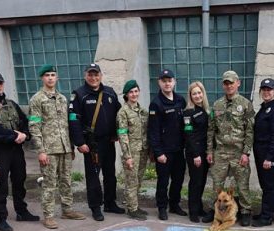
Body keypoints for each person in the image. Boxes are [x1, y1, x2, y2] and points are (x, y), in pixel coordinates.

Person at [0, 71, 40, 231]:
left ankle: (21, 211)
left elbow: (25, 121)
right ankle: (0, 218)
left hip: (16, 149)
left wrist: (24, 135)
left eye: (0, 83)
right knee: (0, 184)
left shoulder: (11, 103)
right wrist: (14, 135)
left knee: (20, 180)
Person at [28, 64, 86, 229]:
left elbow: (67, 125)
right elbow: (34, 126)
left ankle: (67, 210)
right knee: (49, 183)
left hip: (65, 148)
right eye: (47, 75)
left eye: (53, 75)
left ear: (57, 78)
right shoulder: (37, 99)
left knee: (66, 181)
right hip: (49, 150)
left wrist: (72, 147)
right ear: (42, 78)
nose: (50, 78)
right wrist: (40, 150)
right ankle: (48, 216)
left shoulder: (62, 98)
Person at [68, 63, 123, 221]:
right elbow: (73, 119)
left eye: (96, 74)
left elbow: (118, 115)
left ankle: (110, 203)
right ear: (85, 76)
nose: (93, 78)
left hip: (108, 141)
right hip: (91, 144)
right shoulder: (79, 94)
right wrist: (79, 142)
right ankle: (95, 207)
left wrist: (116, 133)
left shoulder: (110, 92)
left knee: (110, 174)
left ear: (101, 75)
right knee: (93, 177)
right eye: (90, 75)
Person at [207, 70, 255, 226]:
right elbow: (211, 130)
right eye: (226, 83)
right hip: (220, 152)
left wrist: (246, 152)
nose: (229, 86)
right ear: (223, 85)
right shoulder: (217, 105)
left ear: (238, 83)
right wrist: (209, 151)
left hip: (238, 152)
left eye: (231, 83)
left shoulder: (245, 104)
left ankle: (245, 211)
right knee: (217, 184)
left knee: (242, 185)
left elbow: (249, 130)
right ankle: (215, 211)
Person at [147, 69, 188, 220]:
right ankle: (162, 207)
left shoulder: (180, 100)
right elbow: (153, 131)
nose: (167, 83)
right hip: (164, 151)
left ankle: (174, 204)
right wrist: (158, 153)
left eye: (169, 80)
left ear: (174, 82)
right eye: (164, 81)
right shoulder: (155, 104)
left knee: (178, 180)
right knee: (163, 181)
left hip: (178, 150)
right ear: (159, 83)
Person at [116, 79, 150, 221]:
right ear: (126, 95)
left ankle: (134, 205)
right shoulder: (123, 112)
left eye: (136, 91)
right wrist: (127, 156)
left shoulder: (142, 111)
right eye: (131, 92)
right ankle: (132, 209)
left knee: (139, 179)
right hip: (132, 152)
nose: (134, 94)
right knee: (131, 181)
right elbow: (123, 135)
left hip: (143, 150)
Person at [252, 78, 274, 227]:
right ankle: (265, 212)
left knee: (269, 186)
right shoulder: (264, 108)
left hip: (268, 155)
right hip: (260, 153)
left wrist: (269, 158)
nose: (266, 92)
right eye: (264, 89)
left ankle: (267, 217)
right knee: (265, 185)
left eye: (269, 89)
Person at [183, 81, 213, 223]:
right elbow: (189, 135)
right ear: (190, 96)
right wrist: (196, 155)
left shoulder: (207, 110)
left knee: (201, 182)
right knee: (195, 182)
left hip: (205, 151)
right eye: (194, 93)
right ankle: (193, 211)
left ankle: (199, 207)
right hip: (194, 152)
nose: (197, 95)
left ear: (203, 93)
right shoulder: (188, 113)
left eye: (199, 92)